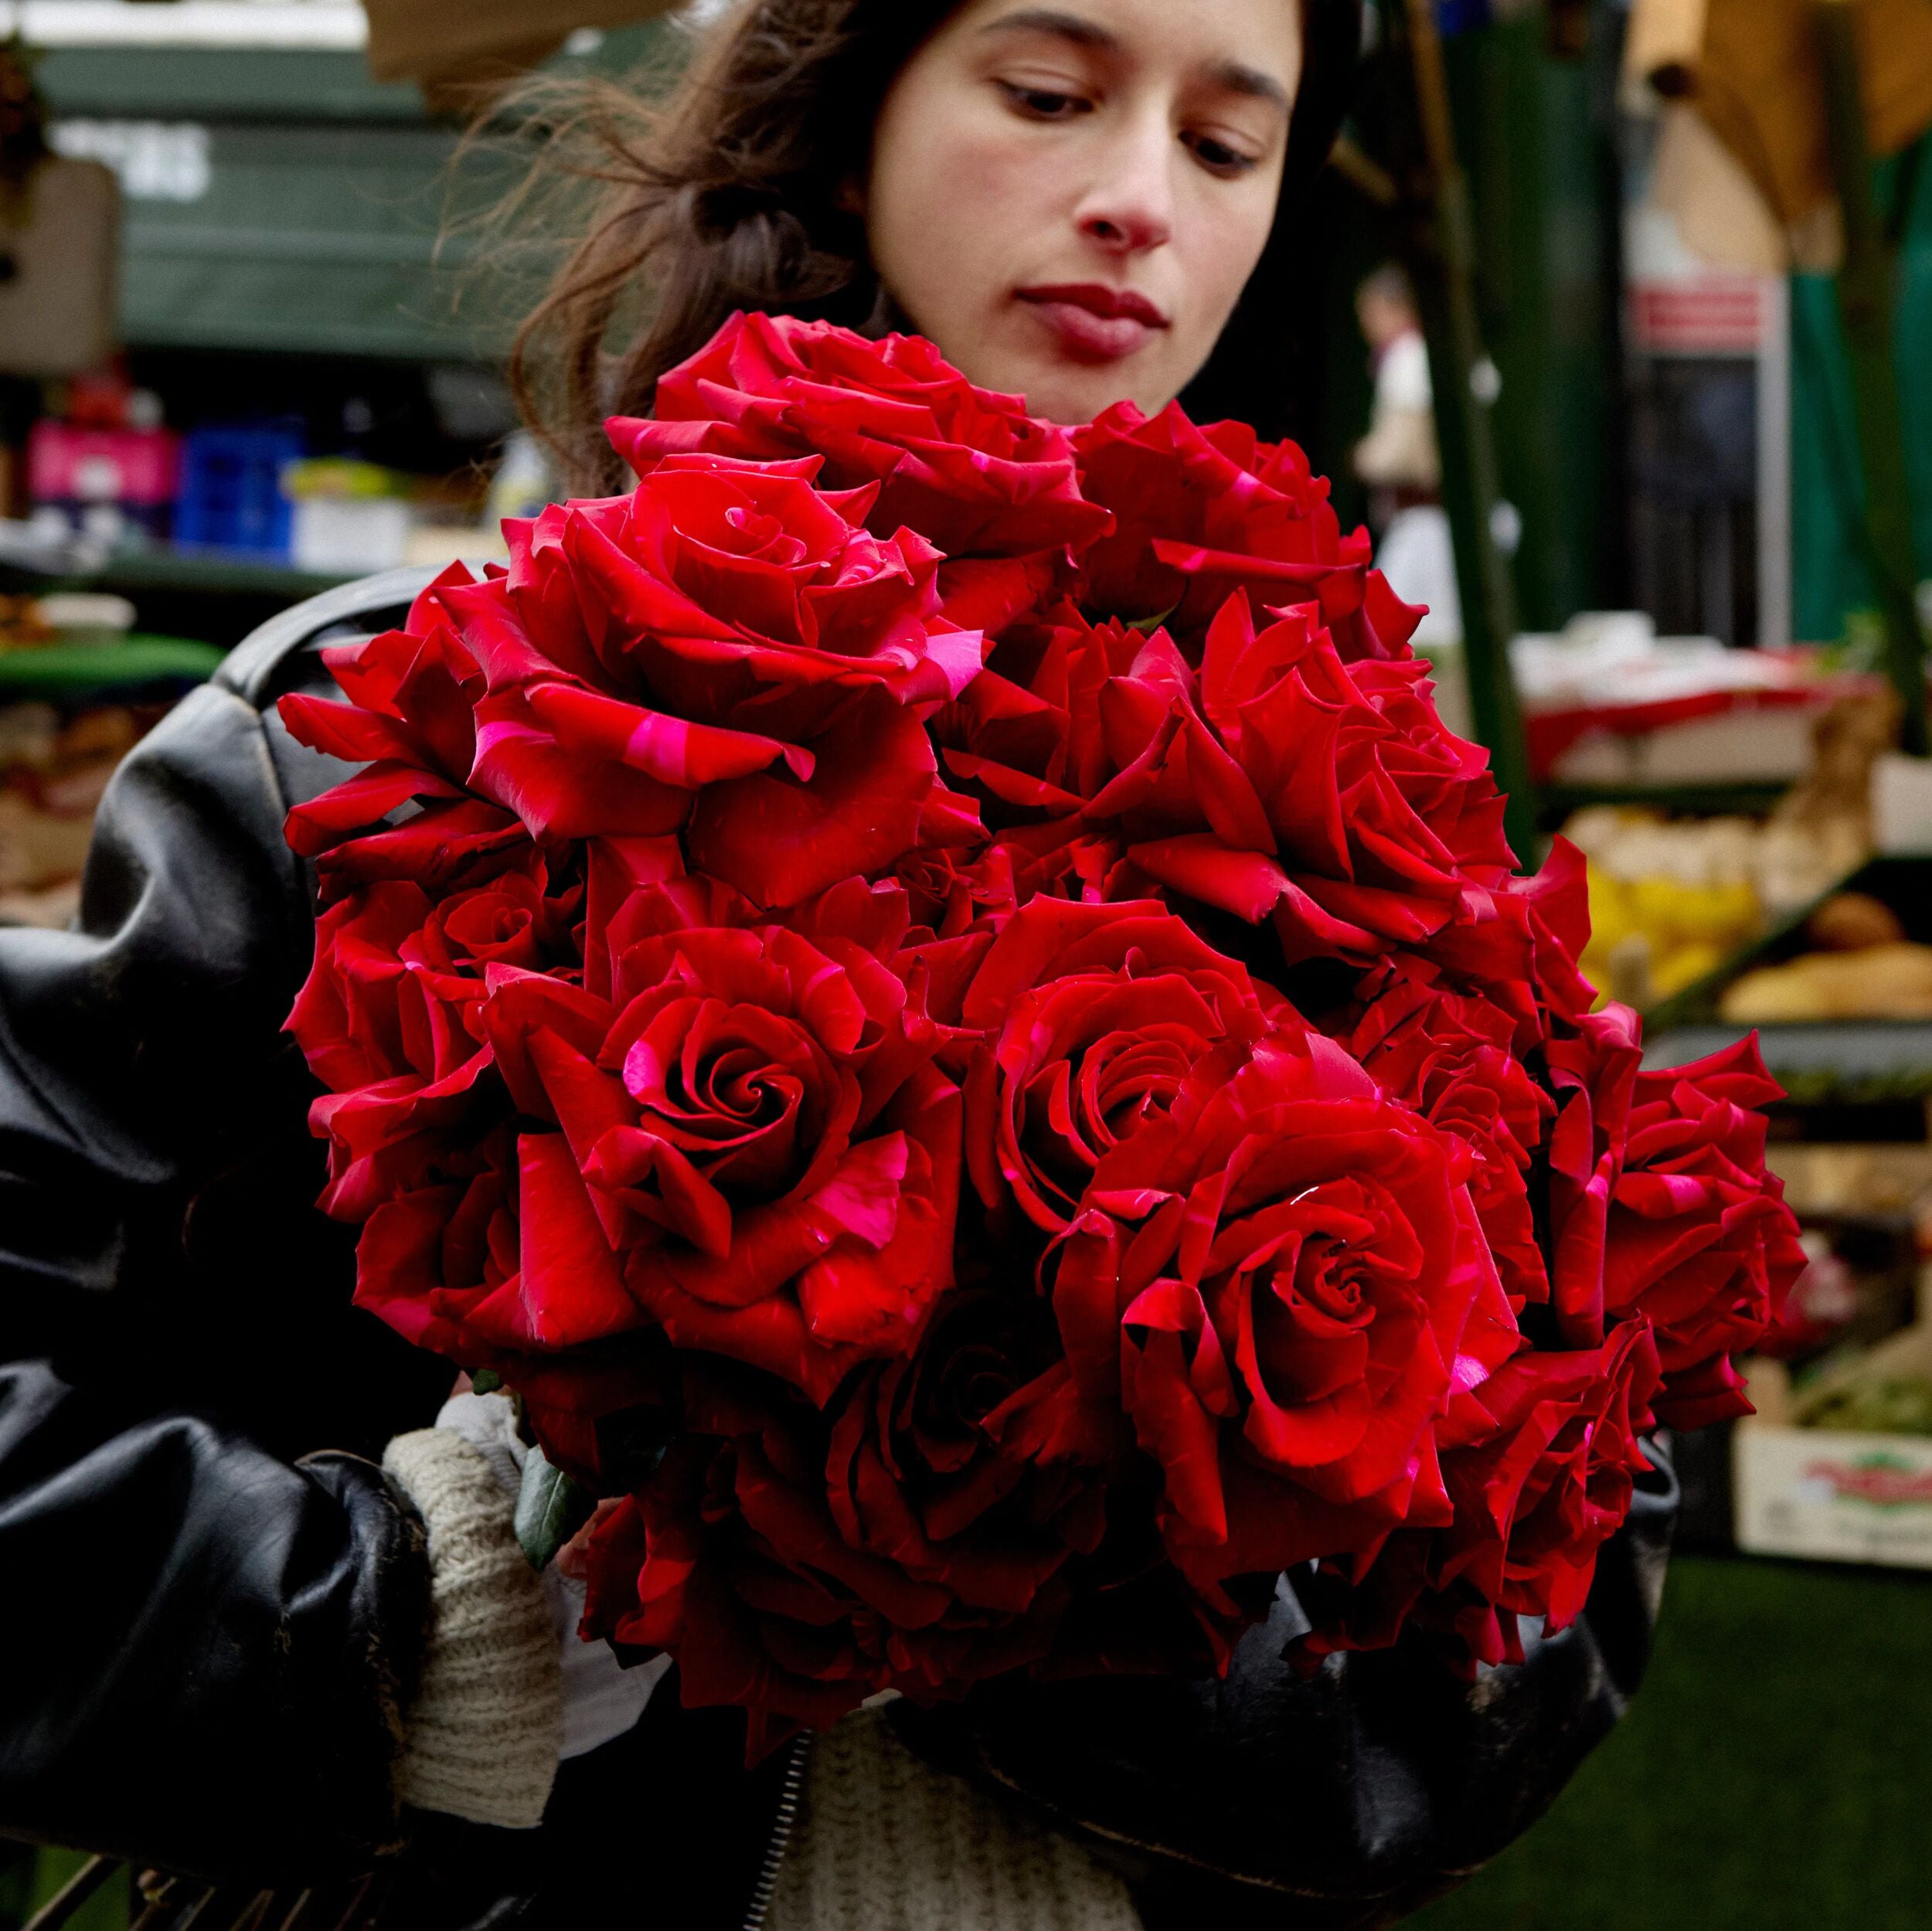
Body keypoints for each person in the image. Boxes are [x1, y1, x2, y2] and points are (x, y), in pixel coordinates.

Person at [0, 5, 1675, 1929]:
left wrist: (1024, 1584)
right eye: (1047, 96)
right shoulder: (377, 738)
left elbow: (1564, 1591)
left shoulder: (1375, 824)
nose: (1136, 200)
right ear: (849, 105)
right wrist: (404, 1631)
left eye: (1227, 147)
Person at [1352, 262, 1462, 648]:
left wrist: (1365, 458)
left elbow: (1403, 453)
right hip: (1440, 523)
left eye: (1371, 312)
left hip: (1424, 525)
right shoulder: (1437, 352)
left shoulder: (1408, 355)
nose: (1367, 324)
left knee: (1403, 637)